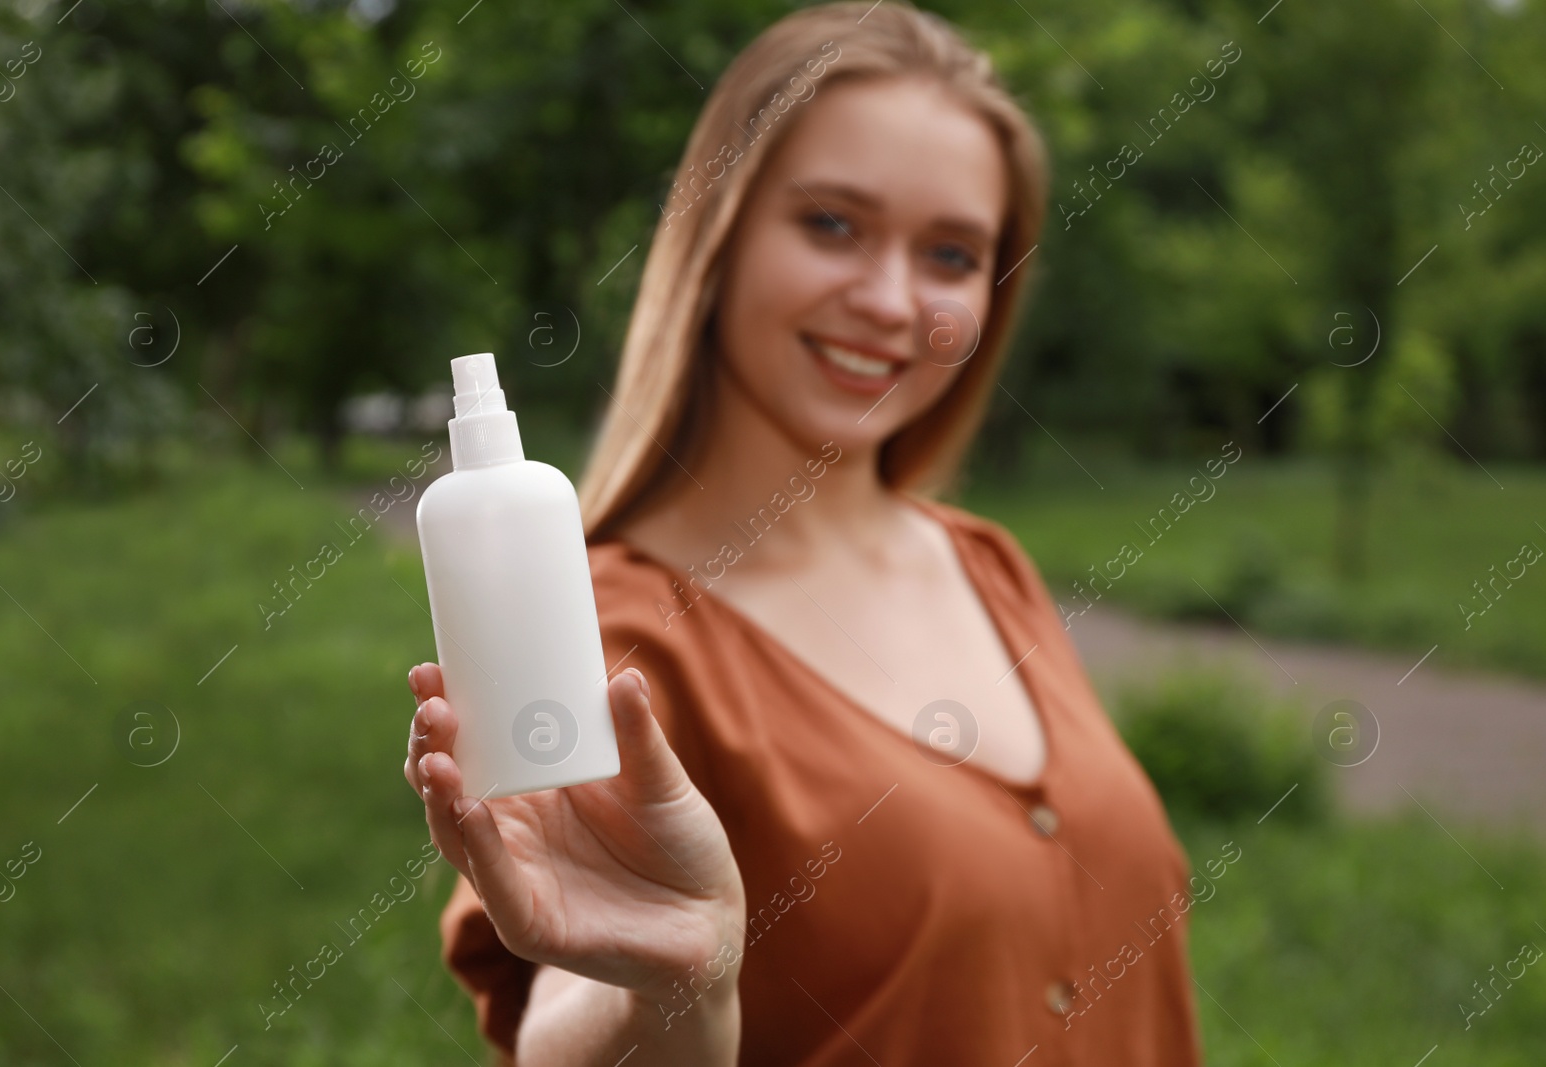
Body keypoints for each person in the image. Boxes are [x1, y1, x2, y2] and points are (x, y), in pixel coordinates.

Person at [404, 2, 1203, 1063]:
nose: (888, 298)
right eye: (832, 223)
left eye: (952, 253)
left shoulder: (985, 563)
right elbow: (559, 1023)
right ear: (716, 233)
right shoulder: (605, 630)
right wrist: (670, 985)